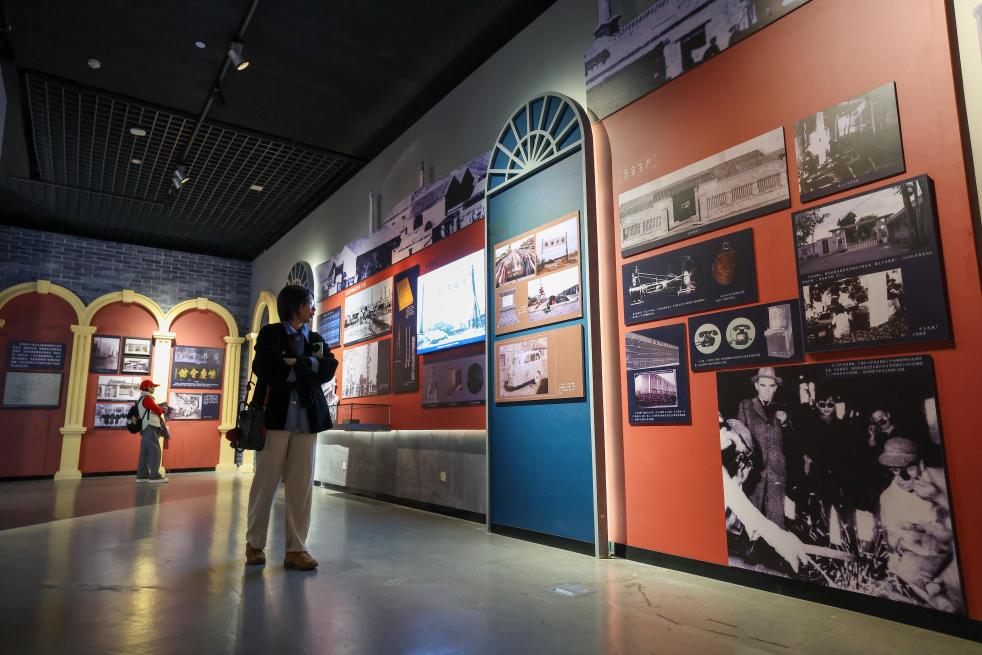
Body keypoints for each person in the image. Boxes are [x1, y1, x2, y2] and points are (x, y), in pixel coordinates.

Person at [245, 285, 338, 571]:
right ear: (295, 306)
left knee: (301, 486)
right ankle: (254, 544)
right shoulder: (271, 333)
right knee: (265, 483)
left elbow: (328, 367)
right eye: (309, 303)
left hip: (307, 421)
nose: (313, 309)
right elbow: (265, 367)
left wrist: (296, 364)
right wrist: (307, 368)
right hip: (275, 418)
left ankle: (297, 549)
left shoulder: (316, 338)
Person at [877, 437, 962, 613]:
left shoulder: (942, 477)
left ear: (920, 464)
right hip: (926, 567)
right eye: (894, 471)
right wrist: (908, 540)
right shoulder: (888, 497)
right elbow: (891, 537)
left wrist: (938, 496)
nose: (901, 478)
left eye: (908, 469)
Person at [737, 367, 790, 527]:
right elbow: (740, 436)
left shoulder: (783, 408)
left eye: (771, 386)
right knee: (750, 519)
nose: (767, 390)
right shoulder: (746, 405)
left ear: (776, 388)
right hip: (754, 472)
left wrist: (786, 424)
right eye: (763, 385)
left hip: (776, 472)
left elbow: (794, 442)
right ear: (756, 386)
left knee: (776, 521)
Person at [136, 380, 169, 484]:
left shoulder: (142, 398)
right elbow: (157, 410)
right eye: (152, 387)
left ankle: (142, 475)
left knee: (145, 452)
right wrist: (162, 408)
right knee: (155, 450)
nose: (153, 389)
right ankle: (154, 476)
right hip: (150, 426)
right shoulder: (147, 398)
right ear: (148, 387)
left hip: (146, 427)